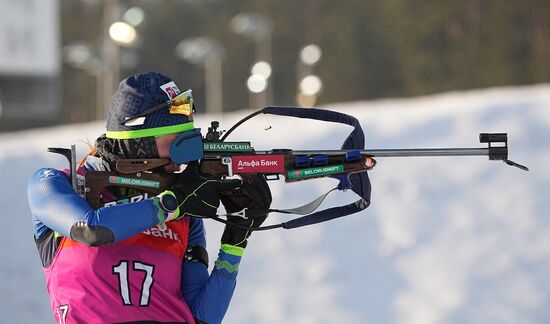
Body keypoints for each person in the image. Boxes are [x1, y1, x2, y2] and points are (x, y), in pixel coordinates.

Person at [27, 72, 271, 324]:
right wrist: (173, 202)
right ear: (140, 141)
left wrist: (236, 239)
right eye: (176, 140)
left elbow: (201, 319)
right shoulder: (55, 184)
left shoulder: (183, 215)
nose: (185, 157)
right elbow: (91, 229)